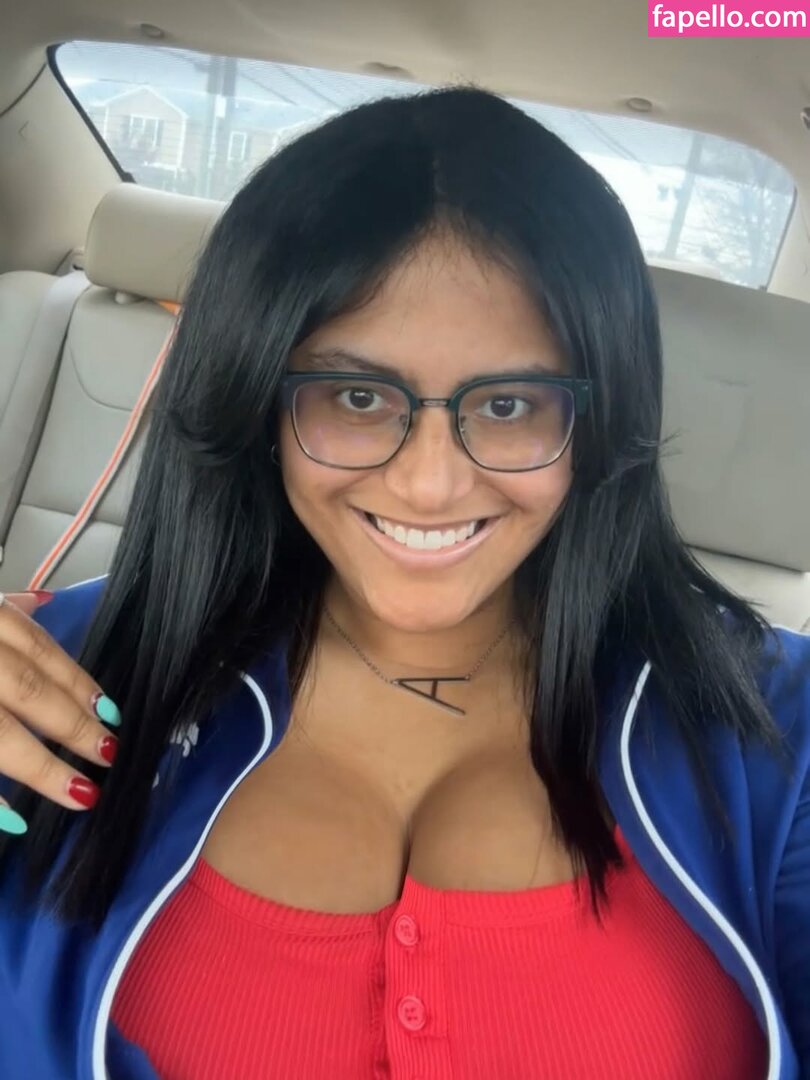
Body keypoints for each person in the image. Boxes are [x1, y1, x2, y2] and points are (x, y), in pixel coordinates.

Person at [0, 86, 806, 1080]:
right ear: (256, 403)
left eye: (508, 405)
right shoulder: (57, 685)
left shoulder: (783, 730)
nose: (429, 483)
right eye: (355, 395)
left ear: (600, 421)